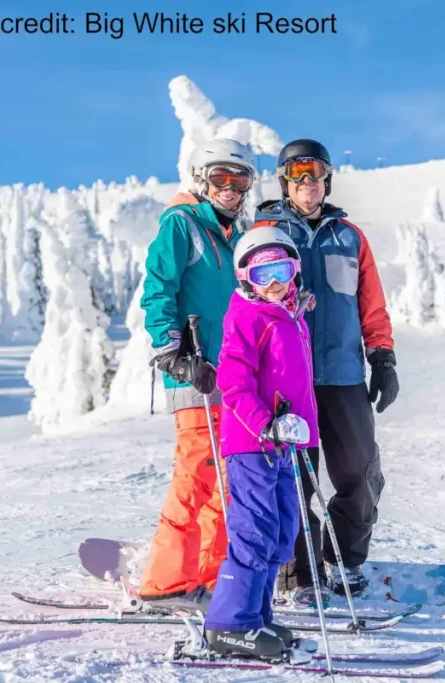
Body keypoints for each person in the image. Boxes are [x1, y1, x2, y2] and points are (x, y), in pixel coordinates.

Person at [252, 139, 399, 604]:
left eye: (314, 175)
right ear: (284, 183)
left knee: (359, 470)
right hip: (285, 379)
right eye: (297, 176)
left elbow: (370, 304)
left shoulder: (350, 237)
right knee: (293, 477)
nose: (307, 184)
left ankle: (345, 559)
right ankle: (301, 571)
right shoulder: (265, 233)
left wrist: (383, 357)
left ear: (326, 180)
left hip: (343, 375)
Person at [137, 138, 256, 611]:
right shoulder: (182, 224)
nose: (230, 188)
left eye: (240, 179)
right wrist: (172, 351)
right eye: (221, 178)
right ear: (201, 179)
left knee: (227, 480)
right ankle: (164, 583)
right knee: (197, 474)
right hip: (194, 372)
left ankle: (206, 577)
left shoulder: (230, 237)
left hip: (230, 378)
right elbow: (157, 288)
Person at [203, 226, 319, 657]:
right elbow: (233, 382)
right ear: (244, 279)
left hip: (282, 446)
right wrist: (264, 425)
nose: (272, 283)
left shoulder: (291, 317)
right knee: (253, 531)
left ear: (294, 272)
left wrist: (295, 432)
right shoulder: (247, 316)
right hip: (252, 444)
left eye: (281, 271)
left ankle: (257, 614)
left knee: (283, 529)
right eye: (261, 273)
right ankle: (229, 624)